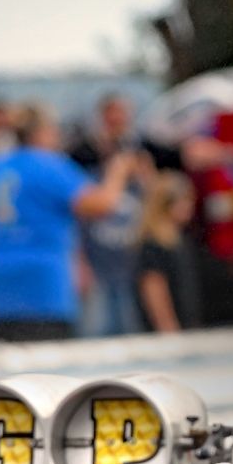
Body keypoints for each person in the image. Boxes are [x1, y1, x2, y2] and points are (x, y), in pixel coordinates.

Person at [0, 103, 138, 342]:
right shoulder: (50, 166)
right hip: (42, 280)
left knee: (6, 352)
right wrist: (118, 171)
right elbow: (102, 205)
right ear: (42, 132)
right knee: (46, 360)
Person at [69, 94, 147, 337]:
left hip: (128, 258)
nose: (117, 119)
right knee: (97, 329)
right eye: (112, 113)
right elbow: (84, 208)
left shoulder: (137, 148)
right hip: (97, 259)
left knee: (128, 327)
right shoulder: (83, 153)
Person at [136, 171, 203, 333]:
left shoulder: (179, 240)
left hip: (188, 326)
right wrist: (168, 329)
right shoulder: (153, 245)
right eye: (184, 201)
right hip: (170, 333)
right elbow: (154, 290)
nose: (189, 206)